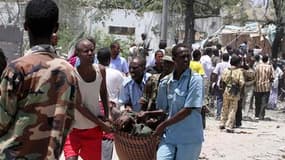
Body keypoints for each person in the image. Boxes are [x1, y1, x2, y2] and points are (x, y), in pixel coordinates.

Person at [0, 1, 103, 159]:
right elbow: (68, 119)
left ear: (26, 26)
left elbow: (2, 121)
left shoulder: (17, 69)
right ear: (55, 28)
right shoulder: (68, 72)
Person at [63, 39, 111, 160]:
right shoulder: (73, 76)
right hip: (73, 130)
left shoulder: (101, 70)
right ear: (77, 53)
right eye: (86, 51)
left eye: (92, 50)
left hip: (93, 130)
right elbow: (79, 105)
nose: (90, 53)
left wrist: (107, 116)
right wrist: (101, 124)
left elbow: (104, 92)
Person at [155, 43, 204, 160]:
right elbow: (163, 109)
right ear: (174, 59)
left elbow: (188, 110)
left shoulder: (195, 80)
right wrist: (148, 115)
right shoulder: (165, 82)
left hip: (189, 138)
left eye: (188, 56)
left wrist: (163, 125)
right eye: (182, 57)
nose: (186, 59)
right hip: (169, 136)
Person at [97, 47, 124, 160]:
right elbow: (121, 95)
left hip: (93, 108)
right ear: (109, 59)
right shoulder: (117, 74)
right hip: (109, 109)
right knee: (107, 138)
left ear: (97, 58)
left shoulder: (91, 72)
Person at [219, 55, 244, 132]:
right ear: (237, 63)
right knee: (233, 109)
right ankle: (229, 125)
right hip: (235, 91)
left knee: (225, 107)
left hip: (226, 90)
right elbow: (241, 83)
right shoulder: (239, 71)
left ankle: (222, 122)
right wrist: (241, 92)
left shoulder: (226, 70)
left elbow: (222, 81)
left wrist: (223, 90)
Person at [254, 55, 274, 120]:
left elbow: (254, 75)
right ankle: (261, 115)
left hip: (257, 86)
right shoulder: (270, 67)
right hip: (266, 87)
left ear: (262, 59)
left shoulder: (257, 66)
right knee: (264, 102)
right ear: (267, 59)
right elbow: (272, 77)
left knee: (257, 102)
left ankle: (256, 115)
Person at [211, 53, 230, 120]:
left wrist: (213, 82)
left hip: (220, 84)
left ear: (222, 58)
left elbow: (215, 74)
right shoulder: (230, 65)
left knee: (219, 100)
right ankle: (225, 115)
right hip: (228, 85)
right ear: (228, 58)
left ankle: (218, 115)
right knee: (227, 100)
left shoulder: (219, 65)